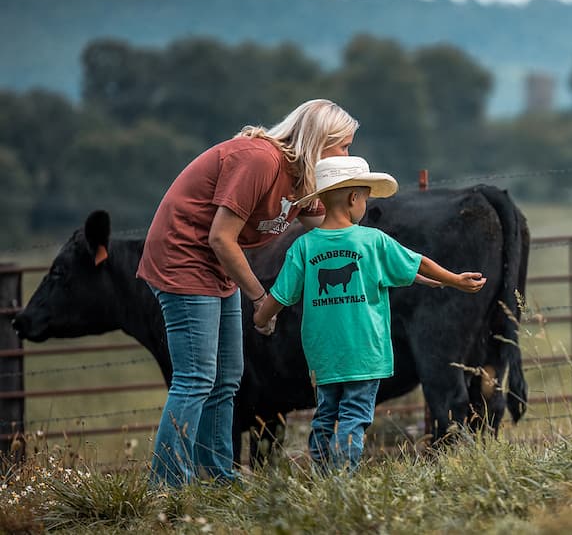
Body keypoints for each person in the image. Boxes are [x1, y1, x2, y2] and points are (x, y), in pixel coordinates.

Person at [137, 99, 357, 487]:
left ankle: (219, 476)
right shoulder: (261, 160)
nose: (346, 155)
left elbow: (330, 227)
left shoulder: (299, 180)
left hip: (217, 267)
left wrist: (370, 227)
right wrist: (261, 299)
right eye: (343, 147)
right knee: (196, 377)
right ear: (320, 141)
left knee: (227, 378)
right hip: (183, 258)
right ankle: (166, 483)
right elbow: (220, 237)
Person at [253, 155, 487, 473]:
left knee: (326, 413)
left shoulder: (304, 247)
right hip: (365, 353)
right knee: (354, 415)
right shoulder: (373, 241)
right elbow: (417, 262)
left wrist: (261, 317)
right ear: (354, 198)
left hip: (323, 356)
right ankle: (342, 475)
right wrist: (455, 279)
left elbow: (280, 295)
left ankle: (322, 470)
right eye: (366, 197)